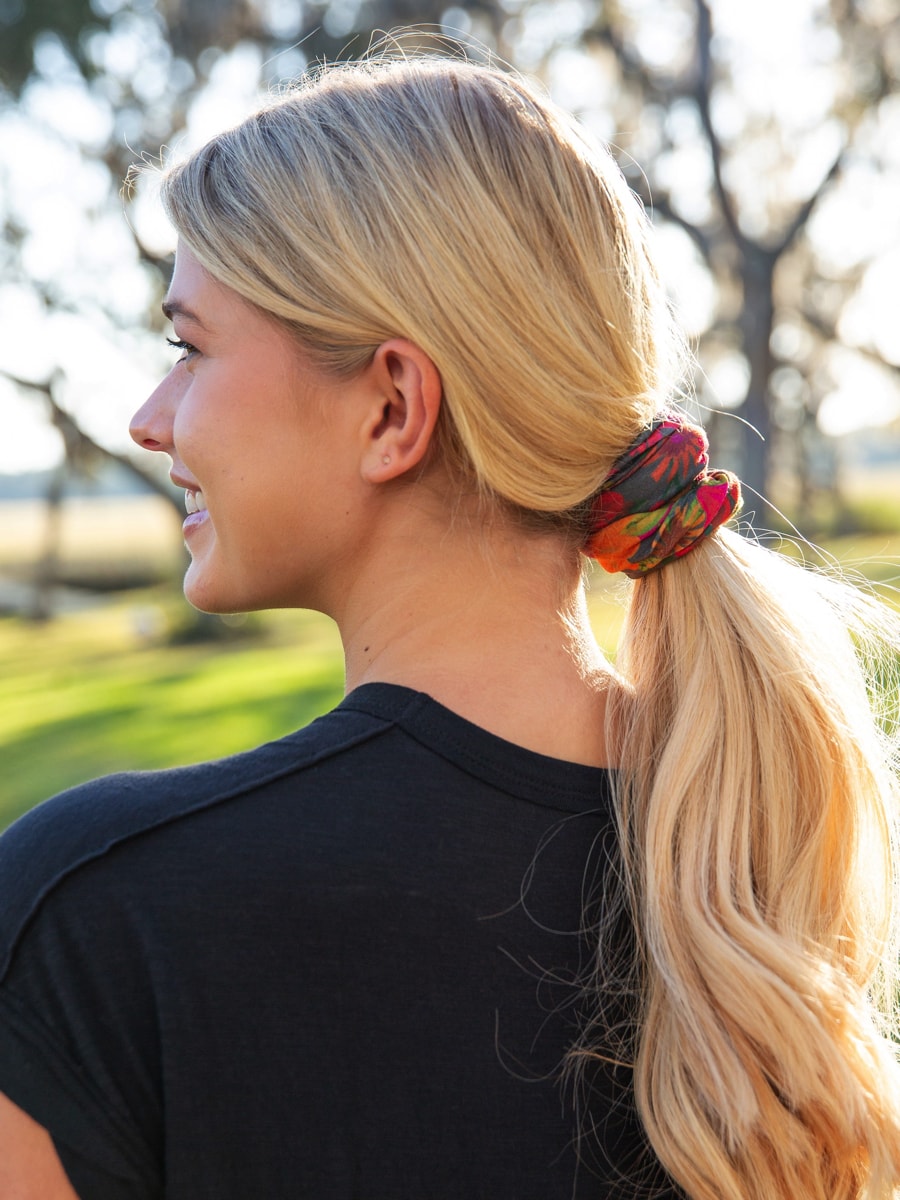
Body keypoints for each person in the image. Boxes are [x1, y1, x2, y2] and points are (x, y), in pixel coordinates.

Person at [1, 49, 899, 1200]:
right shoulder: (740, 861)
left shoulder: (98, 919)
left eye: (189, 348)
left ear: (391, 406)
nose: (148, 417)